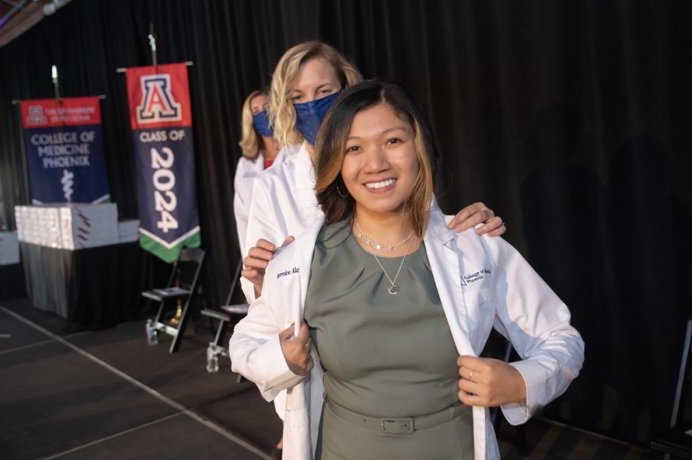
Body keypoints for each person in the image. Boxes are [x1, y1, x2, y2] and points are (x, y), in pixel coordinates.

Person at [230, 81, 584, 460]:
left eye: (393, 141)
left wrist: (521, 381)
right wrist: (283, 360)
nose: (376, 163)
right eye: (354, 148)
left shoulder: (473, 246)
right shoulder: (303, 260)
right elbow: (244, 344)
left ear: (420, 148)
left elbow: (560, 337)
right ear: (336, 162)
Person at [241, 41, 505, 303]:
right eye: (297, 97)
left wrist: (473, 237)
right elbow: (259, 289)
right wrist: (263, 282)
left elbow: (435, 248)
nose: (311, 106)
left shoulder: (387, 170)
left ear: (347, 90)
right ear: (284, 105)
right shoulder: (271, 187)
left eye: (323, 91)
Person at [233, 89, 286, 258]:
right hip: (262, 246)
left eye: (267, 107)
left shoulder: (296, 152)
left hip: (292, 238)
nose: (262, 114)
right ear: (250, 121)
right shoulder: (246, 164)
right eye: (255, 112)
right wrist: (248, 256)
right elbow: (242, 216)